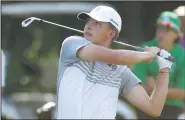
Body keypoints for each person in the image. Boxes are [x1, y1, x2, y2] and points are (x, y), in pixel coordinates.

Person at [55, 5, 172, 119]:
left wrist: (164, 70)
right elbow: (118, 56)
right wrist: (147, 55)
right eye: (88, 21)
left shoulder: (120, 72)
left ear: (111, 34)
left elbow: (154, 108)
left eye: (97, 23)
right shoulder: (72, 44)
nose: (88, 26)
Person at [133, 11, 185, 119]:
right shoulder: (145, 49)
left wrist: (154, 88)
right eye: (159, 28)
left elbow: (181, 93)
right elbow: (136, 86)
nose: (161, 33)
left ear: (176, 34)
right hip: (145, 105)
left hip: (171, 108)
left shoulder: (182, 56)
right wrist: (167, 90)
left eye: (167, 30)